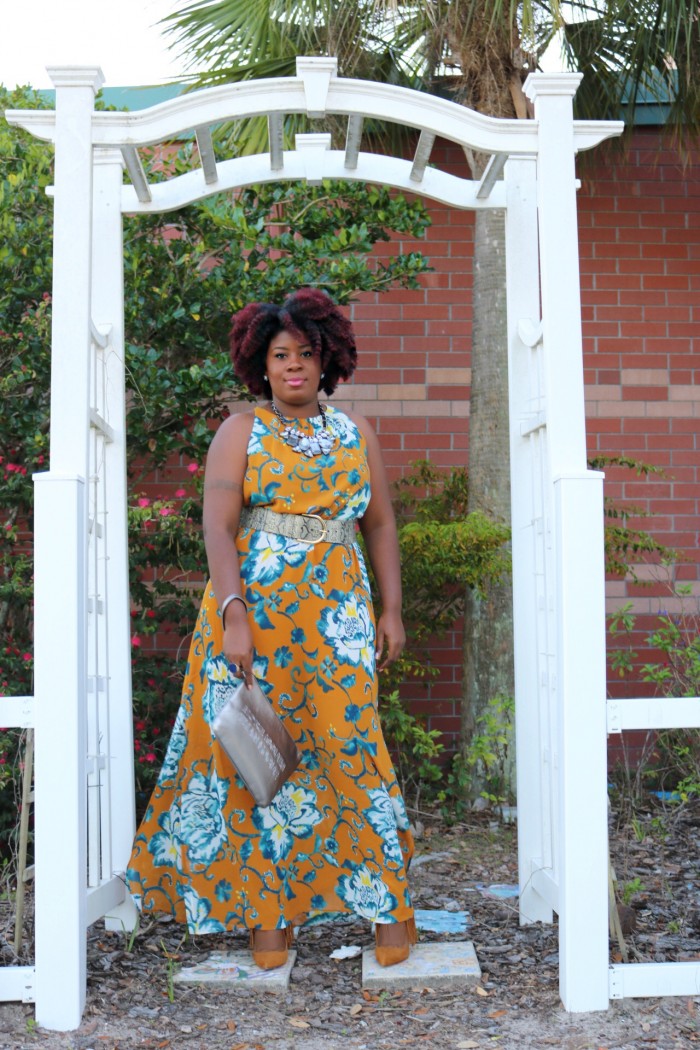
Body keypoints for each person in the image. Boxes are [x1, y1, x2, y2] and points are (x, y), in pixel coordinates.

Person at [126, 287, 416, 970]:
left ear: (326, 361)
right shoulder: (241, 431)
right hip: (254, 620)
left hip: (338, 620)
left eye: (305, 355)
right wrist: (233, 616)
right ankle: (268, 919)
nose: (294, 366)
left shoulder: (355, 433)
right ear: (262, 363)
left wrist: (392, 609)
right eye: (281, 355)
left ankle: (391, 911)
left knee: (352, 750)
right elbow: (217, 530)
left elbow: (380, 524)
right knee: (262, 762)